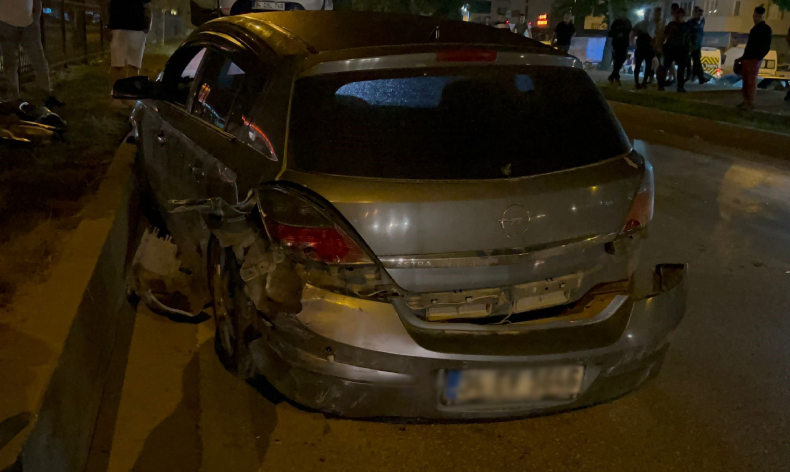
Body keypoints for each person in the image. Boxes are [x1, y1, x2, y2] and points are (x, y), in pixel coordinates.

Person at [0, 0, 61, 107]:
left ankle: (46, 94)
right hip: (7, 23)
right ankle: (14, 98)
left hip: (27, 22)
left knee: (38, 59)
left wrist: (36, 14)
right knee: (11, 63)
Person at [109, 0, 152, 91]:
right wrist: (147, 25)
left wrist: (107, 24)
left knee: (117, 65)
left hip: (118, 25)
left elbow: (107, 4)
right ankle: (131, 92)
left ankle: (117, 92)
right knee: (134, 65)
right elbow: (147, 5)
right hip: (137, 25)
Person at [738, 6, 772, 109]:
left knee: (750, 80)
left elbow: (765, 46)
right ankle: (746, 101)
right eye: (756, 16)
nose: (756, 18)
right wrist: (742, 58)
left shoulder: (764, 29)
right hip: (749, 58)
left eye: (758, 16)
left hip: (753, 58)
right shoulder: (756, 29)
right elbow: (749, 46)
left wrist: (758, 57)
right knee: (747, 80)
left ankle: (749, 102)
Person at [660, 7, 689, 92]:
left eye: (680, 14)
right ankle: (661, 85)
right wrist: (661, 46)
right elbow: (665, 35)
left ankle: (680, 86)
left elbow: (687, 38)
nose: (678, 16)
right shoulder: (671, 24)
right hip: (671, 48)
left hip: (680, 48)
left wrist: (687, 48)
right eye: (677, 14)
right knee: (666, 67)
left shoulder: (685, 25)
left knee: (681, 68)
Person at [630, 8, 655, 89]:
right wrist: (632, 43)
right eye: (646, 14)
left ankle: (644, 82)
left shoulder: (652, 25)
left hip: (648, 47)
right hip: (641, 47)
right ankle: (637, 82)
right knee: (638, 65)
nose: (647, 15)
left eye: (649, 14)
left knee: (648, 66)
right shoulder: (640, 24)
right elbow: (632, 34)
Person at [607, 9, 632, 85]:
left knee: (621, 59)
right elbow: (611, 32)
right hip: (617, 44)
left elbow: (630, 31)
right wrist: (617, 35)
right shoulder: (616, 22)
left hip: (624, 44)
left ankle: (613, 76)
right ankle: (616, 77)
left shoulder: (628, 22)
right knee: (617, 60)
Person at [687, 7, 709, 84]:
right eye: (698, 13)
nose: (699, 15)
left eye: (700, 14)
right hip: (691, 45)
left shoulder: (701, 22)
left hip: (697, 45)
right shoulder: (690, 23)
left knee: (697, 61)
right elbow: (688, 34)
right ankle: (693, 76)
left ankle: (697, 76)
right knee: (691, 61)